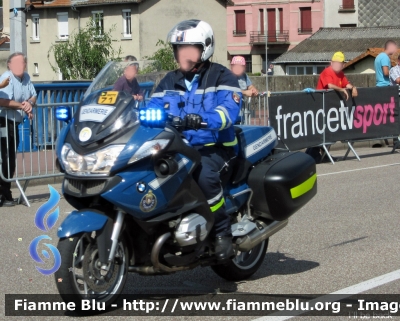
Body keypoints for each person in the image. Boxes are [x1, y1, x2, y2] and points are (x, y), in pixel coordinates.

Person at [146, 19, 242, 262]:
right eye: (179, 49)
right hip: (179, 147)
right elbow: (151, 107)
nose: (183, 54)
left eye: (189, 48)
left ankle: (222, 233)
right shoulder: (169, 80)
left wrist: (201, 119)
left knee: (203, 175)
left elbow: (228, 112)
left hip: (216, 148)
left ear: (205, 48)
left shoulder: (223, 76)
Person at [308, 51, 358, 163]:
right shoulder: (327, 72)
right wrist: (342, 89)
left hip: (332, 108)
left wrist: (353, 87)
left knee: (330, 132)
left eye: (340, 63)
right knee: (321, 133)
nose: (338, 65)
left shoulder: (340, 73)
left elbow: (346, 84)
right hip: (321, 107)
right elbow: (330, 85)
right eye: (336, 63)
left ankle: (324, 155)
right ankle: (314, 156)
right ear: (331, 63)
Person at [0, 52, 36, 207]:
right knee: (5, 158)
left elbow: (34, 94)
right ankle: (4, 194)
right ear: (9, 65)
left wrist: (29, 103)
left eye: (22, 63)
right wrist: (22, 105)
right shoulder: (6, 77)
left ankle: (6, 193)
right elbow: (2, 101)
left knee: (10, 159)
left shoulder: (26, 78)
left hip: (15, 122)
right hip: (3, 121)